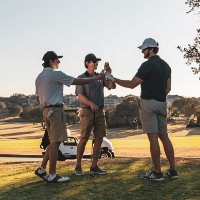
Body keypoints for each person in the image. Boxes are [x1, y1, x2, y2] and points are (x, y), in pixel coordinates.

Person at [105, 38, 178, 181]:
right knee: (165, 137)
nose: (142, 52)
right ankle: (173, 171)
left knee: (153, 138)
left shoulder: (147, 65)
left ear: (151, 49)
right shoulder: (166, 66)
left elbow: (132, 84)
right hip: (162, 103)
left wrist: (113, 78)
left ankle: (157, 173)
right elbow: (168, 88)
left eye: (144, 49)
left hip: (148, 104)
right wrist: (159, 97)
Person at [35, 51, 104, 183]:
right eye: (57, 60)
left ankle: (42, 169)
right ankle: (52, 174)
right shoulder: (56, 74)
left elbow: (38, 98)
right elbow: (77, 81)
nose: (59, 62)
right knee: (56, 142)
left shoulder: (39, 77)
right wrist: (96, 78)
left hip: (45, 110)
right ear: (51, 61)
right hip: (56, 110)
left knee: (52, 141)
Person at [74, 53, 116, 176]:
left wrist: (110, 76)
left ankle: (94, 166)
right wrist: (91, 103)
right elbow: (80, 96)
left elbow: (111, 87)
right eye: (94, 62)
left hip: (100, 112)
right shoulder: (81, 77)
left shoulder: (101, 76)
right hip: (87, 111)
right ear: (87, 63)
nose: (96, 63)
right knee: (84, 138)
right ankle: (78, 166)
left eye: (97, 62)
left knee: (99, 138)